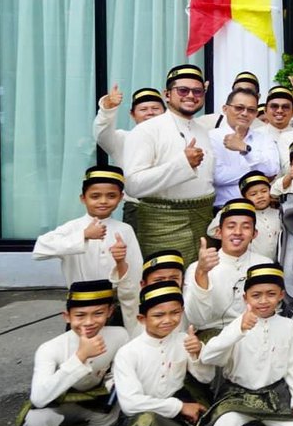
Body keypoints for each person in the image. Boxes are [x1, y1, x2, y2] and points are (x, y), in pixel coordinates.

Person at [19, 280, 128, 426]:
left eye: (98, 313)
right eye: (80, 315)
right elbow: (40, 398)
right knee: (35, 419)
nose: (89, 322)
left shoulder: (119, 335)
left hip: (94, 403)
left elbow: (120, 374)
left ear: (110, 312)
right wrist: (80, 357)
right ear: (66, 316)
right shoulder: (50, 349)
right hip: (59, 406)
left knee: (118, 407)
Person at [200, 264, 293, 426]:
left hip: (274, 395)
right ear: (245, 298)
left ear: (281, 295)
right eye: (256, 295)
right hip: (238, 395)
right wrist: (238, 331)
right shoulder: (235, 325)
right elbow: (208, 356)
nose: (263, 301)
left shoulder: (288, 326)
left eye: (271, 294)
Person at [114, 284, 218, 426]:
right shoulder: (127, 353)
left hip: (177, 405)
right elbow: (130, 403)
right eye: (158, 314)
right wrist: (180, 407)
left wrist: (198, 354)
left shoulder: (182, 340)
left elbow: (206, 378)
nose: (168, 320)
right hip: (144, 411)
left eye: (175, 313)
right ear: (142, 319)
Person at [33, 165, 143, 335]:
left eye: (111, 196)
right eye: (95, 196)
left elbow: (135, 271)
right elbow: (40, 249)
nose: (103, 201)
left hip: (114, 305)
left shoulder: (124, 229)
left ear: (121, 197)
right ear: (83, 198)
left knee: (116, 345)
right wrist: (83, 235)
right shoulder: (73, 227)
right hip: (81, 305)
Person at [123, 64, 216, 265]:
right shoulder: (146, 130)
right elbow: (133, 184)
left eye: (197, 91)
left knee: (199, 284)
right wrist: (183, 164)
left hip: (203, 221)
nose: (190, 95)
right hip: (162, 224)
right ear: (167, 94)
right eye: (183, 90)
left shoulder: (203, 131)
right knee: (165, 287)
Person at [183, 200, 272, 340]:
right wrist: (202, 273)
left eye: (246, 227)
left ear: (254, 234)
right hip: (215, 334)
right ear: (219, 232)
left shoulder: (265, 264)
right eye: (231, 226)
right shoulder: (197, 267)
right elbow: (197, 319)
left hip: (256, 330)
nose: (237, 232)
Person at [92, 85, 165, 231]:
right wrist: (108, 109)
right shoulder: (122, 138)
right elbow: (101, 134)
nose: (150, 113)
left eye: (155, 108)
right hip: (138, 209)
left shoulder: (177, 137)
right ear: (132, 114)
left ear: (165, 112)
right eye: (143, 109)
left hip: (173, 209)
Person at [209, 87, 280, 207]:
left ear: (256, 114)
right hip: (224, 208)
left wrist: (245, 149)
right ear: (225, 109)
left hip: (260, 210)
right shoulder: (211, 137)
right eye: (239, 108)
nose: (245, 113)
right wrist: (259, 175)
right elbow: (217, 177)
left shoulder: (264, 138)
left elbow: (272, 170)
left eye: (251, 110)